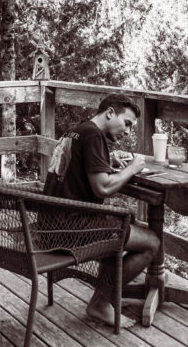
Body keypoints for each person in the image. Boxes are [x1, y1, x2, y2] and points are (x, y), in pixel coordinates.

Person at [44, 94, 160, 325]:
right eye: (127, 123)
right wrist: (134, 168)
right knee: (151, 242)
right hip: (71, 229)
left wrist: (107, 162)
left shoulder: (76, 130)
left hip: (50, 224)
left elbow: (80, 170)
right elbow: (103, 188)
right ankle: (100, 303)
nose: (128, 132)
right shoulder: (93, 136)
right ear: (109, 113)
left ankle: (105, 298)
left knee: (128, 222)